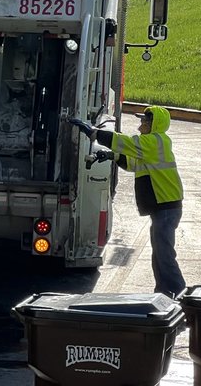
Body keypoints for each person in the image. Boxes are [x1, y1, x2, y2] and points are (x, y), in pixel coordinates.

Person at [69, 106, 186, 297]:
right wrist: (111, 155)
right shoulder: (152, 145)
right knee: (159, 254)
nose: (140, 125)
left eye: (144, 122)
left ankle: (179, 292)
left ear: (153, 124)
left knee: (164, 255)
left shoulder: (154, 141)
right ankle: (164, 292)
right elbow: (133, 164)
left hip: (165, 207)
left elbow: (126, 143)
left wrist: (95, 133)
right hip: (164, 207)